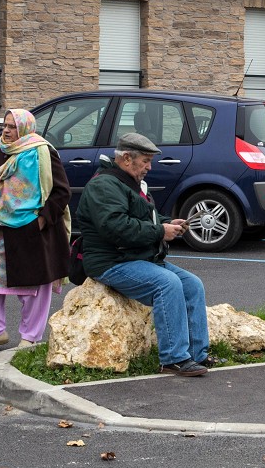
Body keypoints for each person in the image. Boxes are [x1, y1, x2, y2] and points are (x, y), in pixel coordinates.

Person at [74, 132, 211, 377]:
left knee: (192, 285)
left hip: (135, 257)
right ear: (127, 158)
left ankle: (197, 355)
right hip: (110, 261)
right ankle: (173, 359)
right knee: (167, 284)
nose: (149, 167)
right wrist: (161, 231)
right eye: (146, 161)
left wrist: (170, 223)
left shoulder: (127, 182)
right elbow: (116, 228)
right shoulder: (103, 186)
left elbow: (144, 218)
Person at [0, 109, 72, 351]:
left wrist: (42, 221)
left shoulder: (43, 152)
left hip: (32, 228)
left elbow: (61, 191)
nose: (6, 130)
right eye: (5, 125)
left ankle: (30, 337)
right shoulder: (0, 151)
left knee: (33, 286)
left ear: (25, 128)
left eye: (12, 126)